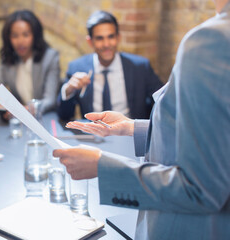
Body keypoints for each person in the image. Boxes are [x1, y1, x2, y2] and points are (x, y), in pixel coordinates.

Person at [54, 1, 230, 239]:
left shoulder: (210, 41)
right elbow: (215, 136)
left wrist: (102, 167)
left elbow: (201, 188)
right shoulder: (78, 67)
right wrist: (131, 127)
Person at [57, 11, 163, 121]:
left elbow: (163, 101)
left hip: (129, 133)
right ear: (90, 42)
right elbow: (64, 116)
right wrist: (68, 91)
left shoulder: (140, 67)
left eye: (111, 37)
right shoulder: (77, 67)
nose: (106, 44)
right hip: (94, 133)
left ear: (118, 38)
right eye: (99, 38)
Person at [0, 10, 61, 120]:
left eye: (26, 35)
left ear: (35, 36)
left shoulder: (50, 58)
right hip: (17, 122)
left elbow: (50, 100)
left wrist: (27, 109)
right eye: (15, 36)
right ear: (8, 38)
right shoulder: (6, 59)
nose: (20, 41)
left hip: (44, 119)